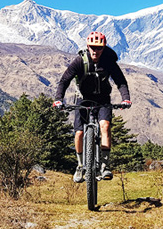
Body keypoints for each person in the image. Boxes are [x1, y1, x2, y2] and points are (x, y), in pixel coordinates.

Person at [53, 31, 131, 183]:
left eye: (99, 48)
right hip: (83, 99)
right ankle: (80, 166)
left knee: (105, 126)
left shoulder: (108, 62)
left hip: (103, 99)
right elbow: (64, 81)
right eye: (93, 47)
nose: (96, 51)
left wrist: (125, 99)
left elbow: (120, 81)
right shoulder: (79, 61)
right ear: (88, 47)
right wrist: (58, 100)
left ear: (104, 48)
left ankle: (105, 166)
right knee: (79, 133)